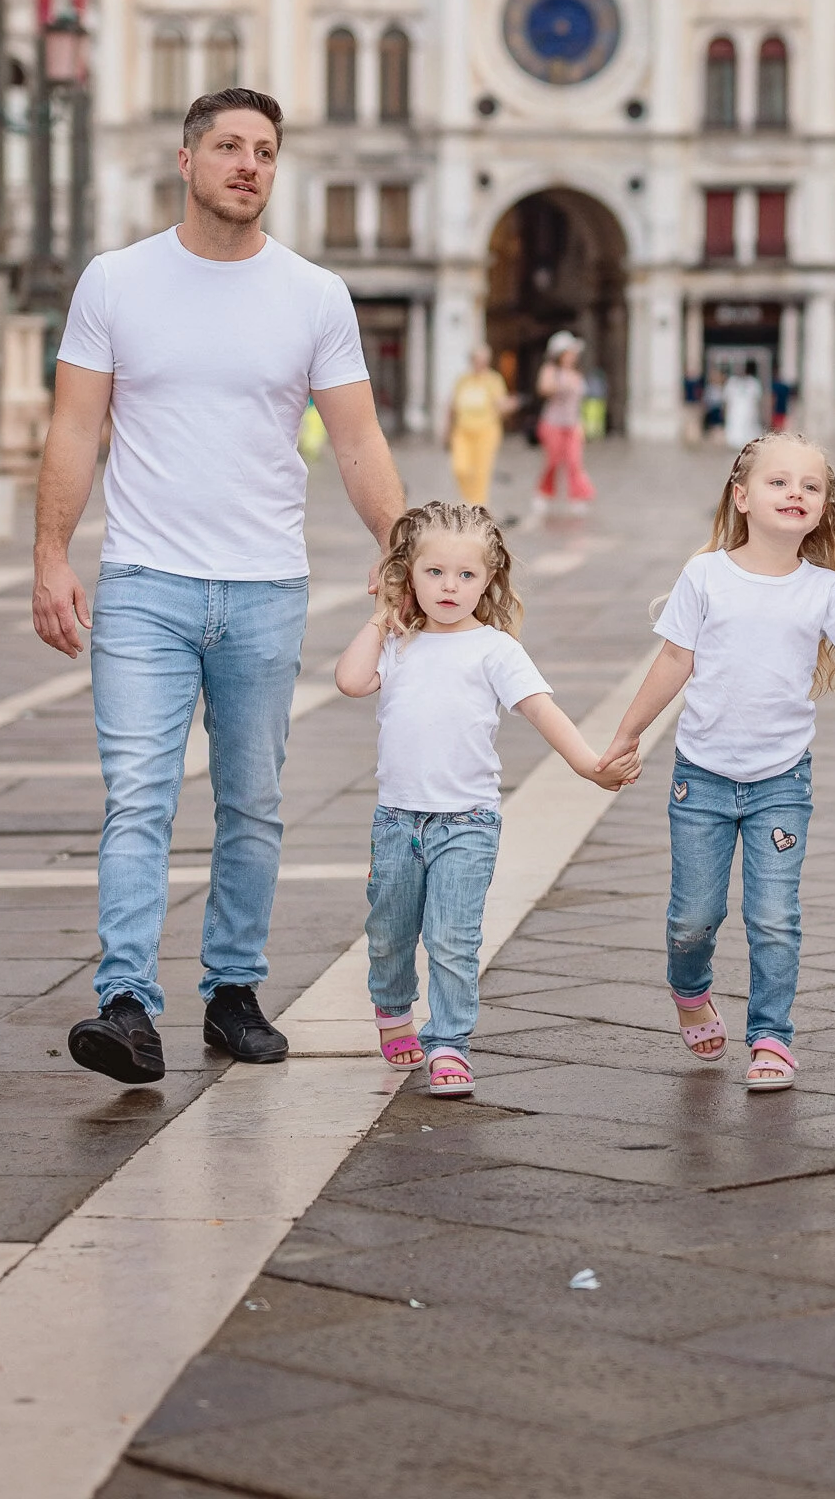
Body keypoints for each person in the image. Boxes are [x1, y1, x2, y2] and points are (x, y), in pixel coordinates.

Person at [32, 86, 405, 1086]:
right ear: (186, 161)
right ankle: (126, 1004)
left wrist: (396, 542)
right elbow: (75, 429)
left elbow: (359, 438)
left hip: (264, 586)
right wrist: (50, 555)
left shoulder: (313, 294)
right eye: (230, 146)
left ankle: (234, 989)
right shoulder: (115, 281)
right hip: (146, 582)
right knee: (139, 799)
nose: (250, 163)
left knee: (253, 802)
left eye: (267, 150)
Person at [597, 434, 835, 1091]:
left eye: (810, 485)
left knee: (773, 915)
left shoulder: (824, 589)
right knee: (693, 918)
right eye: (778, 482)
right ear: (741, 497)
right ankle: (689, 991)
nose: (795, 493)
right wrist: (626, 734)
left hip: (780, 782)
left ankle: (770, 1035)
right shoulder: (705, 575)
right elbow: (672, 663)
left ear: (824, 508)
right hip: (701, 780)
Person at [335, 501, 639, 1095]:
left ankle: (449, 1044)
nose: (450, 587)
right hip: (398, 821)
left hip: (467, 823)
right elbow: (350, 681)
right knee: (390, 932)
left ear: (489, 579)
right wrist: (380, 616)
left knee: (453, 937)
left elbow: (541, 711)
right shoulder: (398, 644)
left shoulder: (495, 649)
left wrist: (589, 766)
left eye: (466, 575)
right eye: (434, 573)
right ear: (408, 576)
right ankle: (393, 1008)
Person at [530, 330, 595, 517]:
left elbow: (578, 403)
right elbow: (543, 389)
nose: (573, 356)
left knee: (574, 461)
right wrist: (561, 385)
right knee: (553, 461)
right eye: (569, 352)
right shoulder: (551, 371)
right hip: (553, 423)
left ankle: (578, 497)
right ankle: (543, 493)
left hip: (572, 423)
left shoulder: (576, 373)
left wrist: (581, 424)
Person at [446, 344, 516, 507]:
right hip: (462, 431)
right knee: (460, 468)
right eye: (477, 360)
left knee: (481, 471)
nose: (480, 363)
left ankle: (477, 505)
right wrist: (447, 431)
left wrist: (509, 405)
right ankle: (467, 498)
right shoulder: (463, 380)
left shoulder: (493, 380)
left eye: (483, 360)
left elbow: (501, 403)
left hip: (486, 432)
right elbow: (452, 406)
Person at [722, 360, 765, 448]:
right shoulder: (732, 382)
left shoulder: (753, 382)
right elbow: (726, 399)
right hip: (734, 412)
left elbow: (758, 399)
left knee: (749, 430)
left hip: (749, 412)